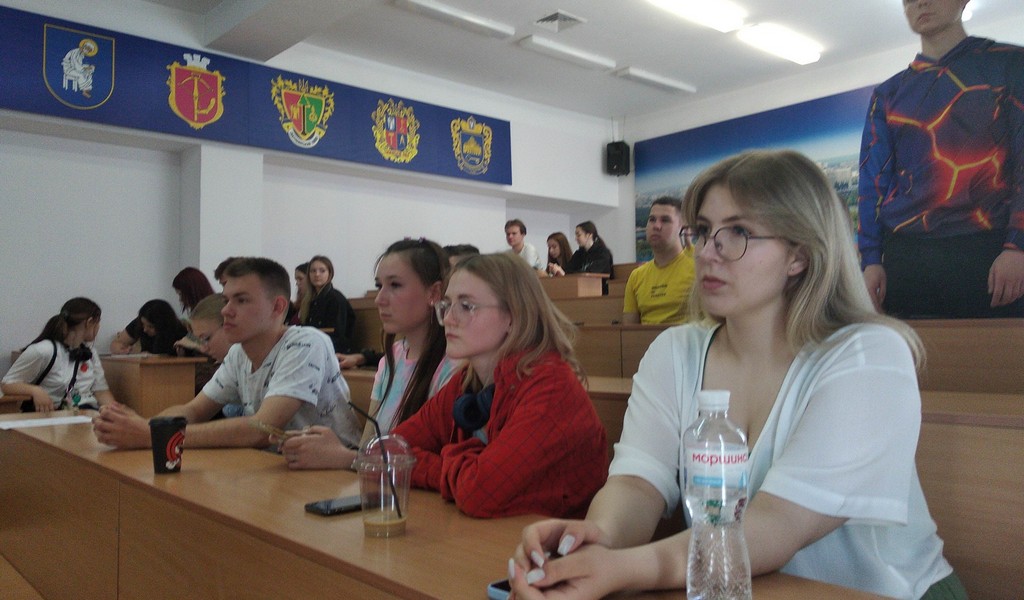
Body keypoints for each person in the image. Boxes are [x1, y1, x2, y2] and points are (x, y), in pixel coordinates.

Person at [510, 150, 962, 600]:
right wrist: (596, 541)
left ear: (799, 256)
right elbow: (636, 483)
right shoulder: (675, 351)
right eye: (704, 231)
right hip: (737, 588)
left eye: (739, 232)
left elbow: (778, 522)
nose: (708, 252)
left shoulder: (868, 356)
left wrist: (625, 568)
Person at [392, 253, 608, 518]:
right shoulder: (466, 382)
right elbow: (389, 450)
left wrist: (448, 465)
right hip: (495, 536)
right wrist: (459, 469)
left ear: (513, 316)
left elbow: (478, 492)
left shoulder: (552, 386)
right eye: (446, 305)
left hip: (555, 542)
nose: (448, 319)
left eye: (466, 306)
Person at [859, 0, 1024, 318]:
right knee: (915, 351)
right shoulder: (888, 94)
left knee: (999, 350)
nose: (920, 2)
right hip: (907, 258)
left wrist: (1018, 246)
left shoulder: (1010, 64)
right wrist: (871, 260)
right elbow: (873, 182)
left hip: (990, 251)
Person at [92, 257, 362, 451]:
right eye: (226, 300)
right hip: (278, 467)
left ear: (277, 307)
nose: (225, 310)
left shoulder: (306, 343)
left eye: (241, 300)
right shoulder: (239, 354)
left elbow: (262, 429)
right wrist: (140, 426)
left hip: (336, 475)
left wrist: (154, 436)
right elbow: (193, 410)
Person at [280, 238, 462, 470]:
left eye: (395, 285)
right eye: (379, 286)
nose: (379, 299)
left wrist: (346, 457)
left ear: (434, 292)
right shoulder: (391, 359)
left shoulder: (455, 367)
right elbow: (369, 446)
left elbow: (445, 467)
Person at [2, 297, 115, 413]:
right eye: (98, 322)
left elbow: (101, 391)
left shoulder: (90, 353)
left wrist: (114, 411)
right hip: (53, 414)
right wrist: (35, 391)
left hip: (85, 411)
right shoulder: (43, 350)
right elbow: (7, 385)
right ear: (89, 322)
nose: (99, 327)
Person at [622, 197, 695, 324]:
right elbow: (629, 330)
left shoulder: (697, 267)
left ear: (682, 227)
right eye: (652, 220)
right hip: (646, 337)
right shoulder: (636, 276)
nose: (656, 226)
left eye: (665, 220)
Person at [304, 255, 358, 356]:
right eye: (313, 271)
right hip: (316, 347)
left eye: (322, 271)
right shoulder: (312, 300)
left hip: (336, 351)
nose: (317, 274)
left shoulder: (335, 298)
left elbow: (338, 334)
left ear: (330, 274)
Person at [109, 299, 188, 355]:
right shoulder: (140, 322)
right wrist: (122, 350)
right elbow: (116, 343)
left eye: (150, 326)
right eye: (143, 324)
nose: (145, 329)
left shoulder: (178, 331)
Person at [549, 221, 614, 278]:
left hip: (599, 286)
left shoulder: (603, 253)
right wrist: (559, 271)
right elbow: (568, 269)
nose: (576, 238)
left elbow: (592, 272)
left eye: (578, 235)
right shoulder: (579, 254)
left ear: (589, 235)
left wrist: (564, 273)